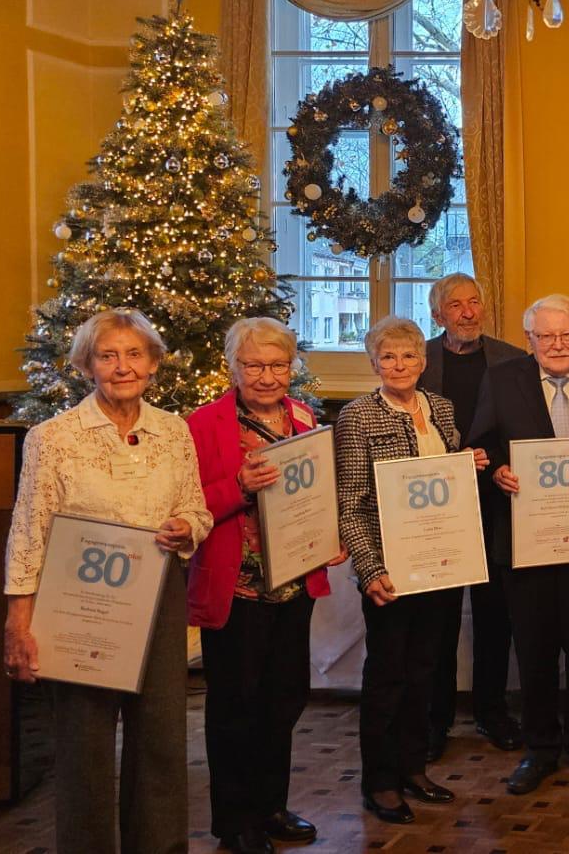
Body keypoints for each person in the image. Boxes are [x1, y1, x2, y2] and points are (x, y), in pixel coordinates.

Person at [3, 309, 211, 854]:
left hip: (157, 593)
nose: (123, 367)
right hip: (79, 599)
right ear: (86, 365)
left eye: (134, 354)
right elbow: (28, 530)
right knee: (85, 744)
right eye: (108, 355)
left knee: (160, 736)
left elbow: (196, 506)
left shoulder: (174, 430)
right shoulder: (52, 438)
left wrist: (187, 525)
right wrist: (19, 621)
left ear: (153, 363)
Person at [187, 318, 345, 854]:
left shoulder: (302, 416)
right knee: (236, 707)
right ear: (233, 367)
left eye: (278, 365)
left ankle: (271, 806)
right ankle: (235, 822)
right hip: (239, 588)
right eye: (254, 365)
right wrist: (237, 486)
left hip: (293, 584)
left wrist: (329, 536)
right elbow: (185, 506)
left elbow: (316, 490)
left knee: (283, 701)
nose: (267, 376)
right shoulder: (203, 424)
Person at [470, 294, 569, 795]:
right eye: (547, 336)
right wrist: (497, 470)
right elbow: (481, 443)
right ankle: (539, 748)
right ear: (530, 340)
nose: (558, 345)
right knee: (534, 650)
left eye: (567, 335)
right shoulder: (502, 380)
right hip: (526, 539)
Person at [335, 316, 489, 824]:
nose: (399, 365)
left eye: (408, 356)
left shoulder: (440, 408)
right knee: (388, 676)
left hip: (440, 564)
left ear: (423, 362)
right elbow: (351, 503)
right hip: (391, 569)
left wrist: (468, 462)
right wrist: (369, 568)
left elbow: (446, 479)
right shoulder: (358, 416)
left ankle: (413, 768)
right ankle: (380, 782)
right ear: (373, 364)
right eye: (388, 357)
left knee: (426, 671)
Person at [418, 273, 525, 757]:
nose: (468, 312)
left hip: (497, 500)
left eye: (474, 302)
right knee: (439, 618)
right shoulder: (419, 360)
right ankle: (435, 719)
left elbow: (522, 427)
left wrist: (498, 464)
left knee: (495, 615)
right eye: (456, 305)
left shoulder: (512, 359)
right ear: (437, 314)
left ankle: (491, 710)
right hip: (438, 506)